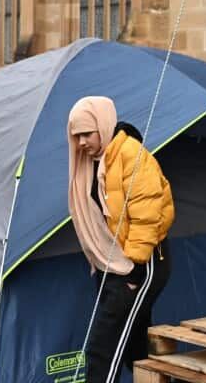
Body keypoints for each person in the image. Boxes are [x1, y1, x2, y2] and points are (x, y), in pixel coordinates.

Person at [67, 96, 174, 383]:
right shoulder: (89, 162)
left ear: (103, 126)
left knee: (105, 345)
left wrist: (134, 272)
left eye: (86, 134)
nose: (80, 143)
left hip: (142, 263)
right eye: (75, 136)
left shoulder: (131, 156)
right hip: (111, 263)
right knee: (135, 348)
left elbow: (148, 214)